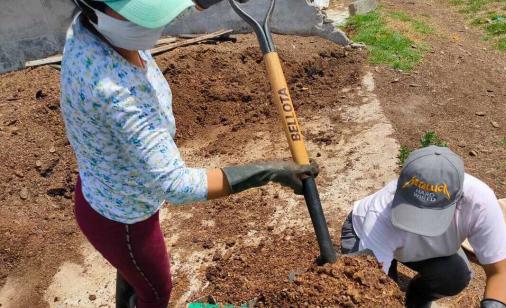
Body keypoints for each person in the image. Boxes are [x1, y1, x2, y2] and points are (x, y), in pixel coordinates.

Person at [60, 0, 318, 307]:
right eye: (142, 15)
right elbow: (178, 186)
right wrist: (272, 172)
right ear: (93, 7)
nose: (155, 24)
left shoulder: (95, 31)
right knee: (156, 293)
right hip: (123, 222)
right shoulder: (112, 91)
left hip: (110, 190)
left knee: (133, 276)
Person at [340, 146, 506, 308]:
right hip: (363, 235)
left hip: (417, 248)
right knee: (372, 294)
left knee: (455, 274)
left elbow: (502, 272)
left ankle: (417, 299)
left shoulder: (479, 202)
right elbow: (369, 292)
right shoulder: (380, 215)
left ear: (458, 200)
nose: (419, 227)